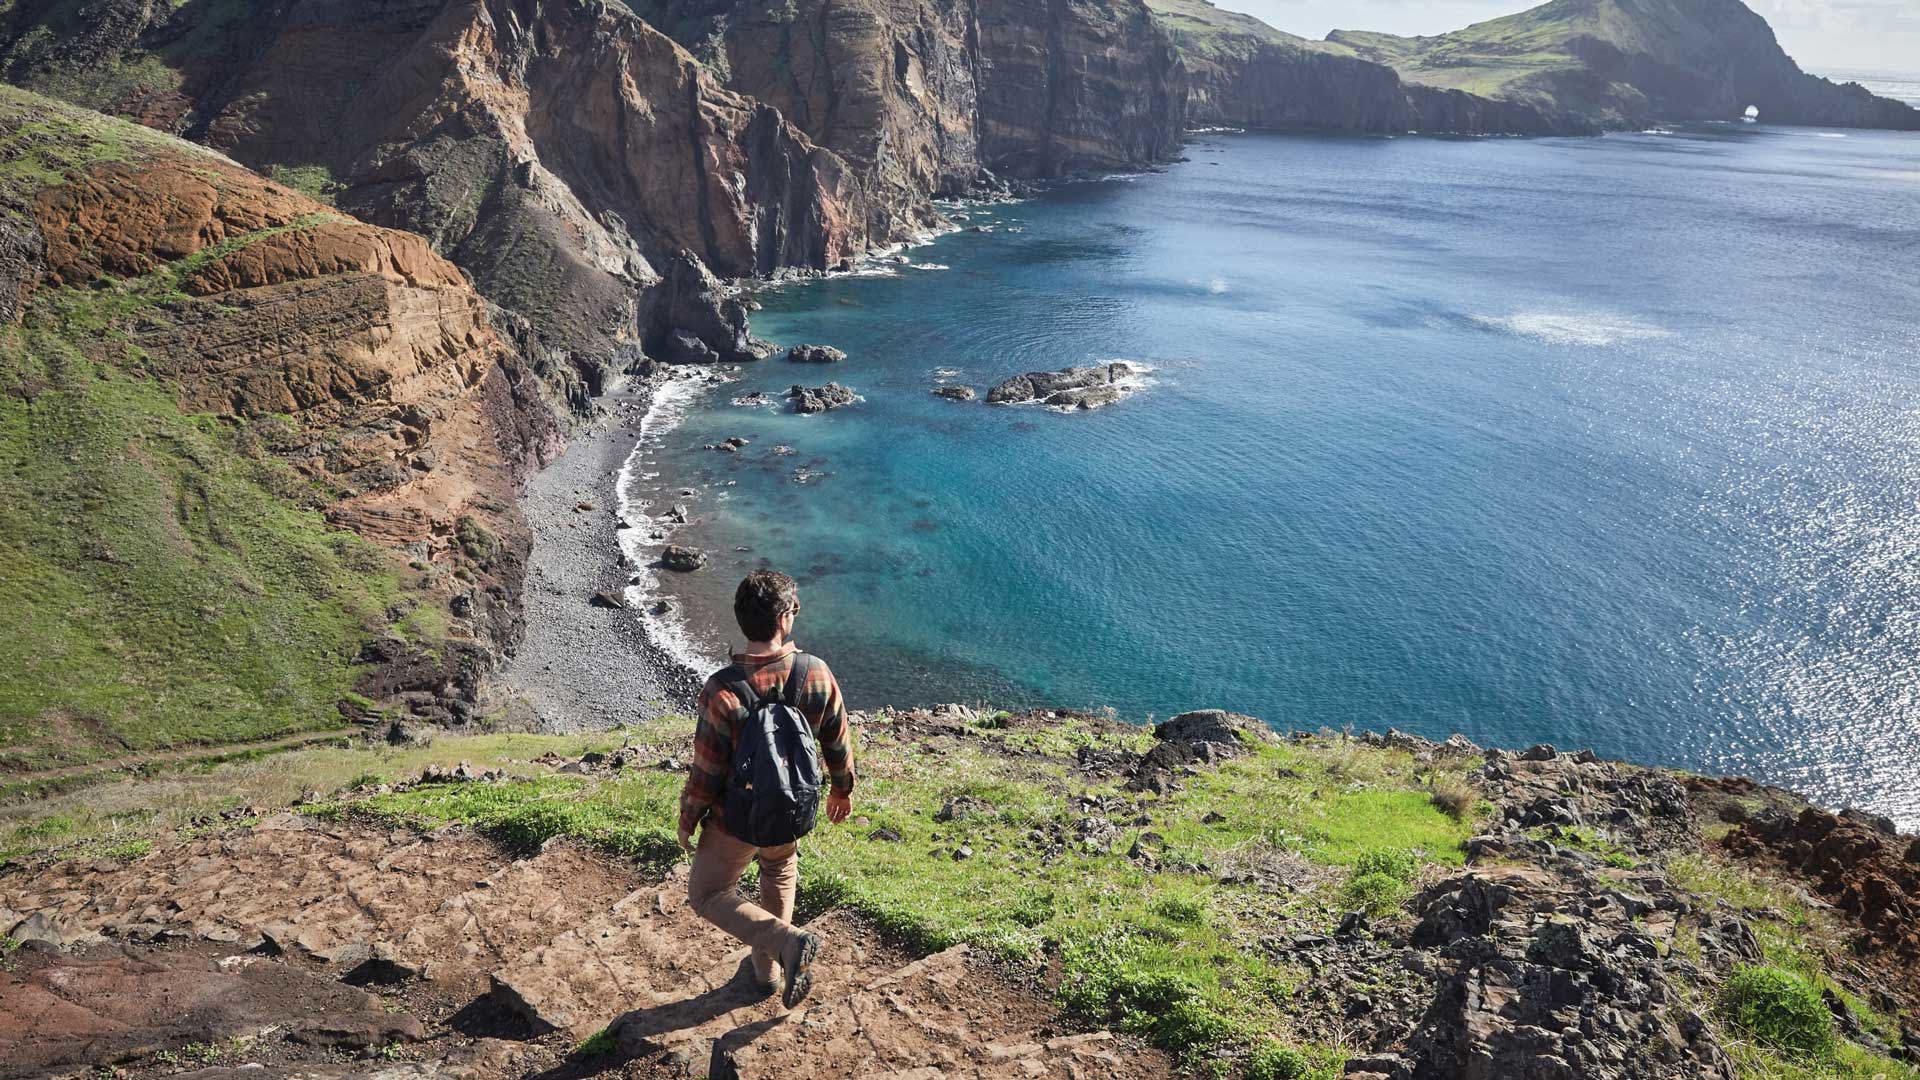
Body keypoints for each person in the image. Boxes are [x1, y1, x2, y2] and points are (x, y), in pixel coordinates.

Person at [677, 570, 855, 1008]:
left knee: (706, 894)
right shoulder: (815, 673)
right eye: (793, 609)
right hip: (789, 810)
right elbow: (837, 738)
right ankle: (768, 969)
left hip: (734, 820)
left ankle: (785, 945)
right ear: (784, 618)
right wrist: (841, 789)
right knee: (778, 870)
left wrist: (688, 819)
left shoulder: (721, 690)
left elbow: (707, 771)